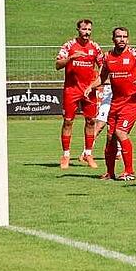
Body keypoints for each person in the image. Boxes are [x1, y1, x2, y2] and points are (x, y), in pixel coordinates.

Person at [84, 27, 136, 181]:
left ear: (128, 39)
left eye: (125, 37)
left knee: (120, 132)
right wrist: (91, 86)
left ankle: (129, 171)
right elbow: (102, 78)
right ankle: (110, 173)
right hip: (115, 102)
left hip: (132, 101)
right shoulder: (107, 57)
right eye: (119, 37)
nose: (122, 39)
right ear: (113, 39)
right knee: (110, 137)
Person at [55, 19, 104, 170]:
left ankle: (88, 154)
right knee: (68, 121)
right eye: (84, 29)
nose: (87, 32)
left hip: (90, 90)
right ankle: (66, 155)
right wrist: (70, 58)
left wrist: (97, 82)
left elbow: (103, 65)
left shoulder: (95, 47)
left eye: (89, 29)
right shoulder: (69, 46)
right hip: (71, 90)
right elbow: (57, 65)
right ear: (78, 29)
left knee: (91, 121)